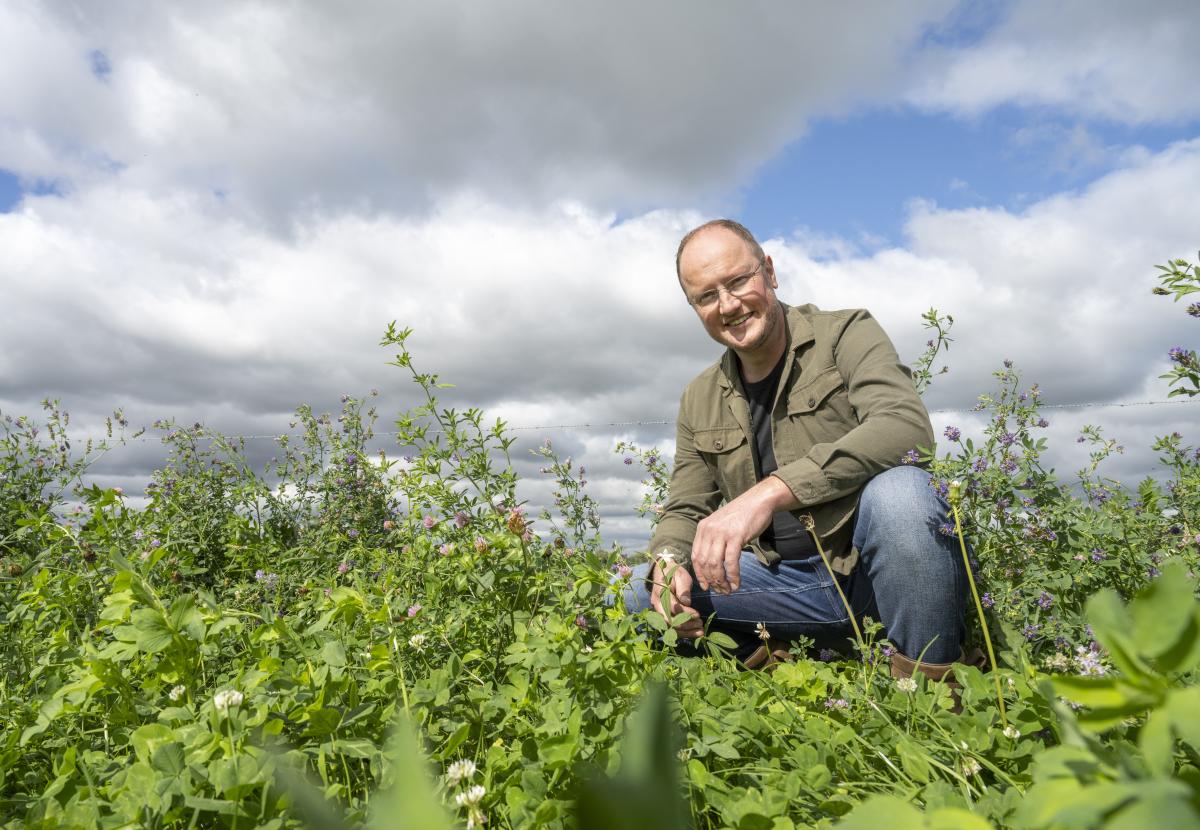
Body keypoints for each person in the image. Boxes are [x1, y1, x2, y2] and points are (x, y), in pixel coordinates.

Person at [622, 219, 971, 681]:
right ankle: (767, 656)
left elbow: (904, 427)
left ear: (768, 270)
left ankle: (934, 687)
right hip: (788, 583)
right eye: (706, 296)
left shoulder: (846, 333)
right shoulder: (699, 395)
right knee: (633, 591)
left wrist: (769, 492)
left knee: (903, 492)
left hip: (871, 575)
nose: (728, 305)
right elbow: (686, 506)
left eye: (738, 281)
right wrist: (667, 564)